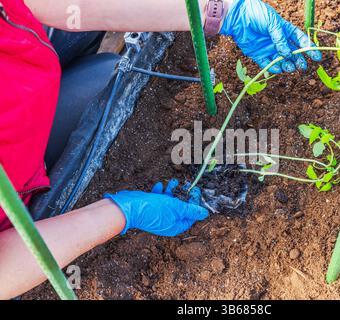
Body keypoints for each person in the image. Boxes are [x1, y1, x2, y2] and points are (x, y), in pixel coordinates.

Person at [0, 0, 321, 299]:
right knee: (101, 73)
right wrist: (121, 213)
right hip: (13, 217)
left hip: (25, 113)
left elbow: (66, 6)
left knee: (106, 70)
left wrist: (218, 12)